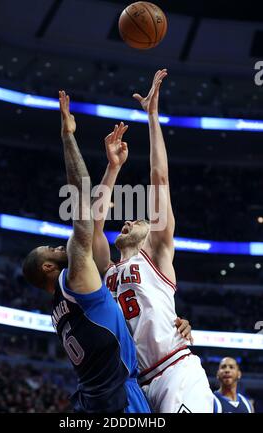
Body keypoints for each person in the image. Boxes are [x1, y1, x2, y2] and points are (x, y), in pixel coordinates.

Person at [92, 69, 213, 413]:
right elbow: (92, 226)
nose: (127, 220)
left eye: (138, 220)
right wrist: (112, 168)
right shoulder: (106, 269)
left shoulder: (156, 254)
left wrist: (152, 117)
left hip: (176, 371)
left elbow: (159, 177)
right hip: (136, 385)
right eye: (127, 220)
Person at [22, 91, 151, 414]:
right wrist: (68, 136)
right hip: (118, 399)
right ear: (49, 267)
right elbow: (80, 196)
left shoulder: (62, 308)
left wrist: (113, 169)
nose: (57, 245)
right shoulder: (74, 277)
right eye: (50, 249)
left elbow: (94, 226)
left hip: (95, 399)